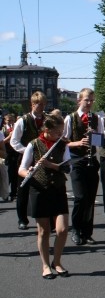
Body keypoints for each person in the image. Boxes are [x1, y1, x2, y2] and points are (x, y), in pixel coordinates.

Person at [18, 112, 72, 279]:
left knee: (62, 230)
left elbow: (67, 168)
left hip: (57, 189)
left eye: (62, 131)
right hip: (39, 189)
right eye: (57, 131)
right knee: (44, 231)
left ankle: (57, 262)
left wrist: (50, 165)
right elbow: (21, 169)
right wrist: (31, 172)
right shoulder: (33, 145)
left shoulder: (62, 145)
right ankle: (45, 265)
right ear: (47, 129)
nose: (60, 134)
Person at [64, 88, 103, 245]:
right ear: (79, 100)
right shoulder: (70, 118)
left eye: (92, 100)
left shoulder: (96, 118)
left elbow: (100, 142)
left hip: (91, 160)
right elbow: (64, 141)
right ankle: (76, 229)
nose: (89, 103)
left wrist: (94, 136)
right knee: (80, 197)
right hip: (76, 160)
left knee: (90, 199)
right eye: (87, 100)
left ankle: (87, 232)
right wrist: (78, 143)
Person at [10, 91, 47, 230]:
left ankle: (45, 217)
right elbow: (14, 142)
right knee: (23, 190)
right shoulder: (23, 120)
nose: (41, 106)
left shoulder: (47, 119)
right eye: (38, 104)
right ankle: (22, 219)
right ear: (32, 104)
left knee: (44, 189)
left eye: (43, 104)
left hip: (43, 160)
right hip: (26, 159)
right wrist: (27, 151)